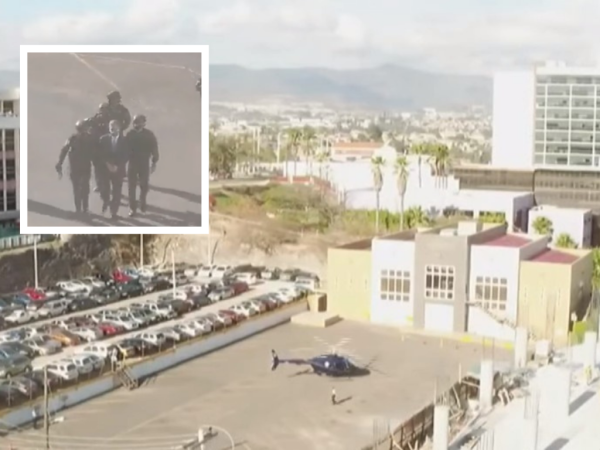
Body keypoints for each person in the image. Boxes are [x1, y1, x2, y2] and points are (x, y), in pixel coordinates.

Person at [55, 120, 94, 214]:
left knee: (83, 188)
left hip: (83, 167)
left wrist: (60, 162)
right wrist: (59, 163)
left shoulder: (87, 139)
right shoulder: (73, 138)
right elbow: (64, 150)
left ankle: (83, 208)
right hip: (76, 167)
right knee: (78, 188)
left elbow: (95, 153)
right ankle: (80, 208)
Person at [126, 114, 159, 216]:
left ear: (144, 123)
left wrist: (154, 162)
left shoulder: (149, 135)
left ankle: (142, 202)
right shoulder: (130, 134)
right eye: (135, 122)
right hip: (132, 163)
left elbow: (154, 148)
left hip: (144, 163)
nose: (137, 124)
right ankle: (132, 208)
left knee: (144, 185)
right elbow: (124, 148)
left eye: (139, 122)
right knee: (131, 186)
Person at [98, 120, 130, 219]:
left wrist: (117, 166)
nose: (112, 129)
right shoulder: (103, 139)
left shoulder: (125, 141)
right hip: (105, 169)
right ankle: (106, 201)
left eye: (115, 127)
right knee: (104, 189)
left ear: (119, 129)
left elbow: (126, 155)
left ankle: (114, 212)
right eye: (111, 127)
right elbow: (100, 153)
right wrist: (108, 164)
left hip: (118, 170)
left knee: (117, 192)